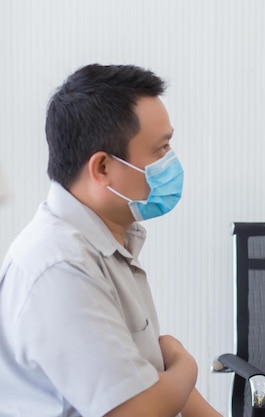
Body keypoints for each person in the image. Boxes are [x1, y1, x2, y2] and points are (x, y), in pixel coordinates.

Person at [0, 64, 221, 417]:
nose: (171, 163)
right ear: (102, 168)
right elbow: (136, 410)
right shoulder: (59, 267)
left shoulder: (107, 241)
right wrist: (185, 363)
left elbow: (149, 378)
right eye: (160, 149)